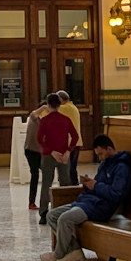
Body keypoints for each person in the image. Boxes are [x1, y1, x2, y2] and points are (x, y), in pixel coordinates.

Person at [41, 135, 131, 261]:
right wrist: (88, 184)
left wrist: (95, 185)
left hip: (101, 207)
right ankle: (75, 250)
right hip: (88, 202)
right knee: (52, 215)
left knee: (65, 219)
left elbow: (116, 194)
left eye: (101, 154)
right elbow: (98, 184)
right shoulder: (104, 165)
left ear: (109, 149)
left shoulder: (122, 168)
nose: (100, 158)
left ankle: (58, 254)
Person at [33, 96, 79, 226]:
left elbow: (40, 139)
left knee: (46, 184)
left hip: (49, 155)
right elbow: (75, 136)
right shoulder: (66, 120)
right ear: (59, 105)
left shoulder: (45, 121)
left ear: (48, 105)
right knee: (65, 183)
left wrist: (51, 151)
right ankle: (64, 211)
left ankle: (43, 213)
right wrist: (68, 151)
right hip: (64, 155)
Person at [22, 99, 49, 211]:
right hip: (31, 151)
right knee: (35, 174)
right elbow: (34, 113)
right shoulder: (34, 119)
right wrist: (43, 107)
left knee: (47, 173)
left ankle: (47, 199)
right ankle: (31, 202)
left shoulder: (45, 122)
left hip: (40, 152)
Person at [54, 91, 83, 181]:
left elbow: (47, 113)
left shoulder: (64, 108)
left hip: (68, 143)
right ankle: (75, 186)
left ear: (61, 100)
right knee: (73, 167)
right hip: (77, 142)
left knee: (66, 169)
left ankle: (68, 188)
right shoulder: (74, 108)